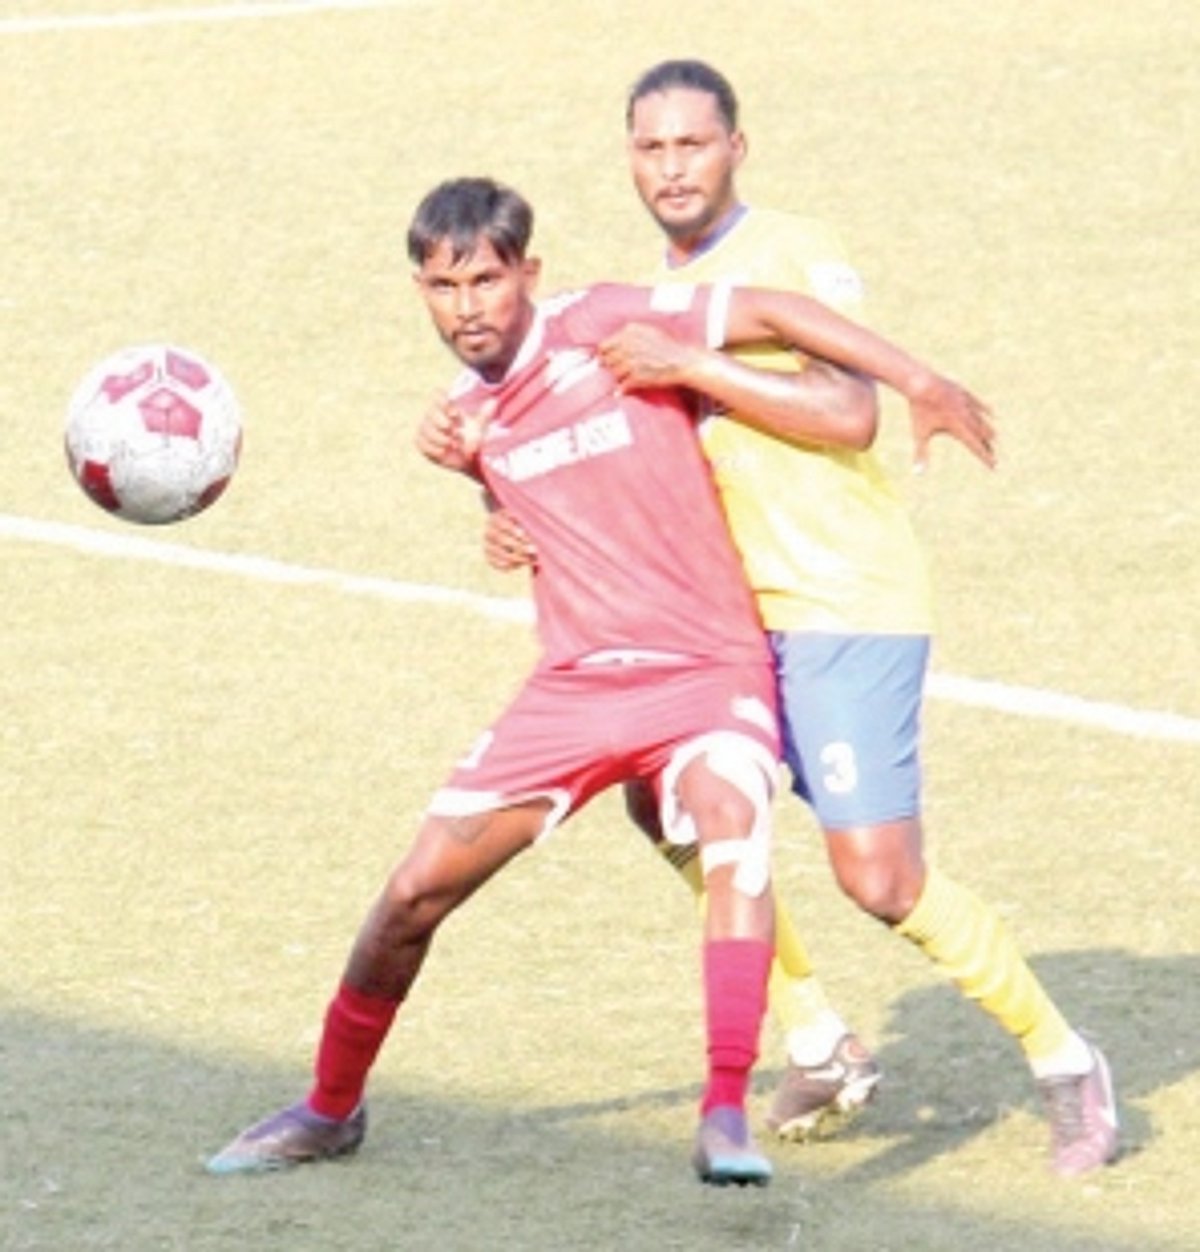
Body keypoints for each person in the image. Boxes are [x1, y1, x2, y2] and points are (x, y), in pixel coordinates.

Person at [206, 175, 996, 1188]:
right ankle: (328, 1107)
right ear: (420, 292)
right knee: (411, 894)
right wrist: (487, 502)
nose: (468, 308)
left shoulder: (604, 323)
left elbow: (774, 308)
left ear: (527, 273)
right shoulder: (466, 420)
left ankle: (725, 1113)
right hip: (576, 689)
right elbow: (545, 494)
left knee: (731, 831)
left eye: (487, 281)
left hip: (706, 670)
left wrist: (918, 378)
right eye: (445, 287)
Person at [483, 60, 1120, 1179]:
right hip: (724, 620)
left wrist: (695, 363)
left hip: (840, 599)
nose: (672, 168)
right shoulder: (648, 296)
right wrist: (507, 508)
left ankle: (1065, 1059)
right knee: (668, 804)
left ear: (737, 147)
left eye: (693, 144)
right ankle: (818, 1040)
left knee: (880, 879)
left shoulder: (786, 254)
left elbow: (846, 412)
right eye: (651, 148)